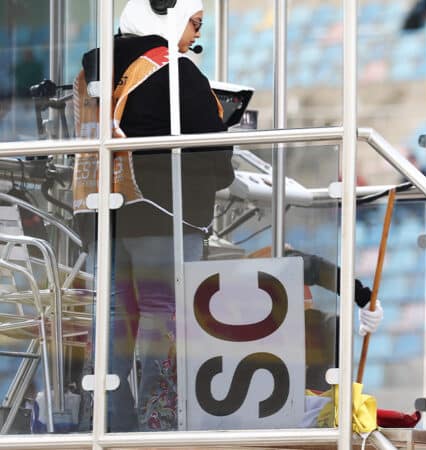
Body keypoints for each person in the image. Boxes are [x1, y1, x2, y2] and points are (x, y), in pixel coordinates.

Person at [72, 0, 234, 432]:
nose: (196, 35)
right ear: (170, 17)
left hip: (103, 215)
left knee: (112, 315)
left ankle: (107, 423)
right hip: (163, 212)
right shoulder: (175, 70)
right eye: (195, 24)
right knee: (165, 311)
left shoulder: (92, 69)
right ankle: (159, 424)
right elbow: (214, 150)